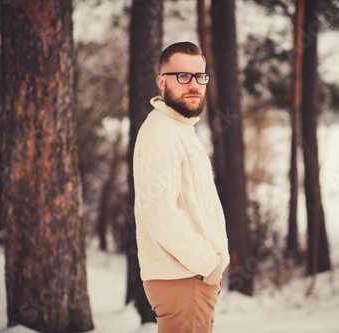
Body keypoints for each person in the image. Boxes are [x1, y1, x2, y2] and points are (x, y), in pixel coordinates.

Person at [133, 41, 230, 333]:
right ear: (162, 81)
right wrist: (207, 264)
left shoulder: (179, 129)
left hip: (191, 277)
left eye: (200, 76)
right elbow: (159, 211)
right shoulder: (162, 133)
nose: (194, 85)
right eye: (183, 76)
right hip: (183, 277)